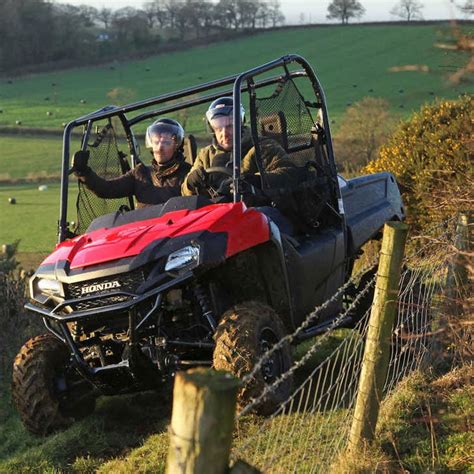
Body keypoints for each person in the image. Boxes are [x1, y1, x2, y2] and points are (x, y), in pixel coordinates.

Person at [181, 97, 298, 198]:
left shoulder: (262, 147)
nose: (224, 133)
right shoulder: (205, 155)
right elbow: (185, 194)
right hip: (216, 214)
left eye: (230, 126)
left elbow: (290, 174)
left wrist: (255, 181)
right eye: (218, 128)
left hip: (257, 210)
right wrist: (190, 184)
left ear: (240, 124)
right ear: (212, 130)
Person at [72, 118, 191, 208]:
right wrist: (84, 172)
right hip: (145, 235)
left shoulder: (189, 174)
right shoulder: (140, 173)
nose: (159, 148)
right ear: (150, 144)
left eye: (166, 142)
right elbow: (107, 189)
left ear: (176, 146)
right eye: (156, 142)